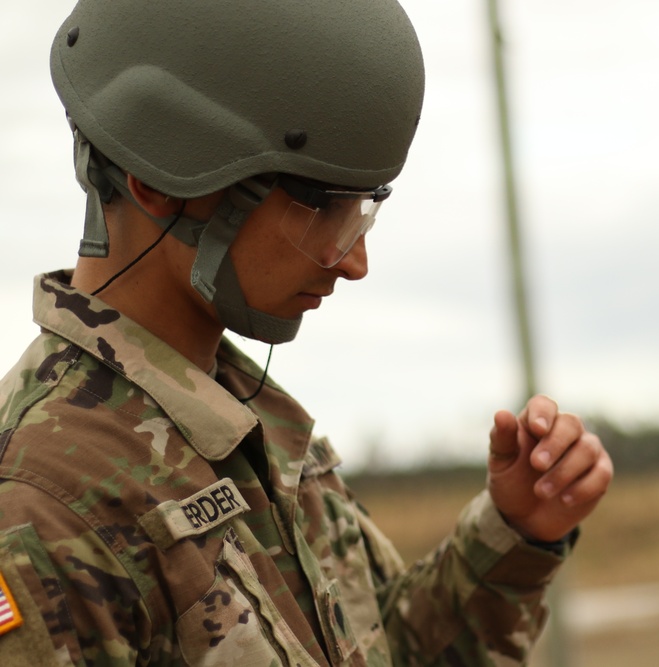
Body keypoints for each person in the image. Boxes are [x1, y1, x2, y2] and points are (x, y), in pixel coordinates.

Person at [0, 0, 613, 665]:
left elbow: (384, 649)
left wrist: (515, 530)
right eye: (322, 208)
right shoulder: (41, 504)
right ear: (158, 180)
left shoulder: (255, 425)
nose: (355, 261)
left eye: (365, 210)